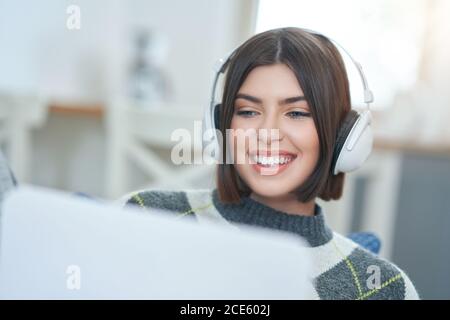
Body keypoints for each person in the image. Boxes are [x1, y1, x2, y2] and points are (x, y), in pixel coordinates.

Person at [121, 27, 419, 300]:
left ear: (341, 135)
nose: (267, 134)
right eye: (248, 111)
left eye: (297, 113)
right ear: (221, 128)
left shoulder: (382, 287)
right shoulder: (144, 215)